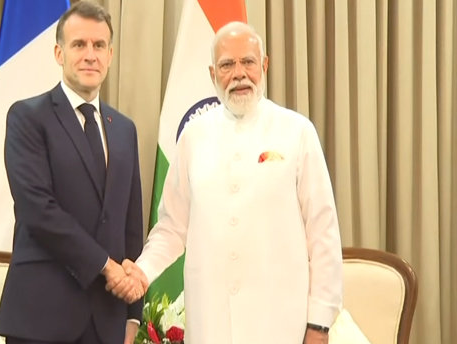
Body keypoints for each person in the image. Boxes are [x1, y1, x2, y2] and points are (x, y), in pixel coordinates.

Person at [110, 21, 343, 344]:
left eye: (248, 62)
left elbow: (323, 234)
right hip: (211, 321)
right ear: (212, 74)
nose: (239, 74)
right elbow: (172, 227)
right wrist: (142, 272)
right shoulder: (193, 136)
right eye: (227, 65)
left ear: (264, 65)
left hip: (279, 321)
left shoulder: (297, 131)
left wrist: (319, 323)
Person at [0, 0, 146, 344]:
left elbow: (130, 226)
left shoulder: (124, 129)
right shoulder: (27, 118)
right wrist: (106, 266)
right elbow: (38, 210)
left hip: (108, 321)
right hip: (41, 319)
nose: (90, 55)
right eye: (79, 44)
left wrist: (132, 314)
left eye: (99, 45)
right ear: (59, 53)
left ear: (110, 55)